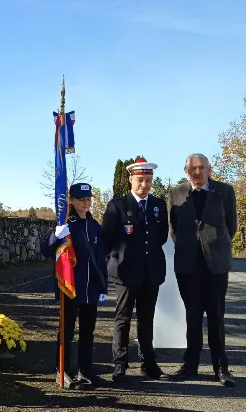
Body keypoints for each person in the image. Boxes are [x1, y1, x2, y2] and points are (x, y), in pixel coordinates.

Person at [167, 154, 237, 387]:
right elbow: (173, 229)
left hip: (215, 264)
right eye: (192, 168)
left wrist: (213, 244)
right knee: (192, 316)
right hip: (188, 264)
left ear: (209, 169)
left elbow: (232, 225)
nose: (197, 172)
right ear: (186, 170)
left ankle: (221, 368)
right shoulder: (175, 193)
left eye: (201, 168)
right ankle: (191, 365)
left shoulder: (224, 191)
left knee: (216, 316)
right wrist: (190, 247)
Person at [101, 158, 169, 382]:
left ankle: (148, 363)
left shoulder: (158, 205)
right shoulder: (118, 205)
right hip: (126, 272)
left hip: (151, 272)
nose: (145, 184)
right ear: (131, 179)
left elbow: (161, 237)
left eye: (149, 180)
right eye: (140, 179)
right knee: (123, 318)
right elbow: (108, 238)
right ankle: (119, 363)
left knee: (147, 319)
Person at [41, 183, 108, 389]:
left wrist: (103, 287)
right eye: (81, 199)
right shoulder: (65, 225)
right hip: (70, 288)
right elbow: (46, 250)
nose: (86, 202)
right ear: (71, 201)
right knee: (66, 331)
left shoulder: (95, 226)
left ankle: (86, 370)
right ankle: (62, 370)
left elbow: (100, 258)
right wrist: (56, 237)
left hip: (90, 288)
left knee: (88, 332)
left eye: (88, 199)